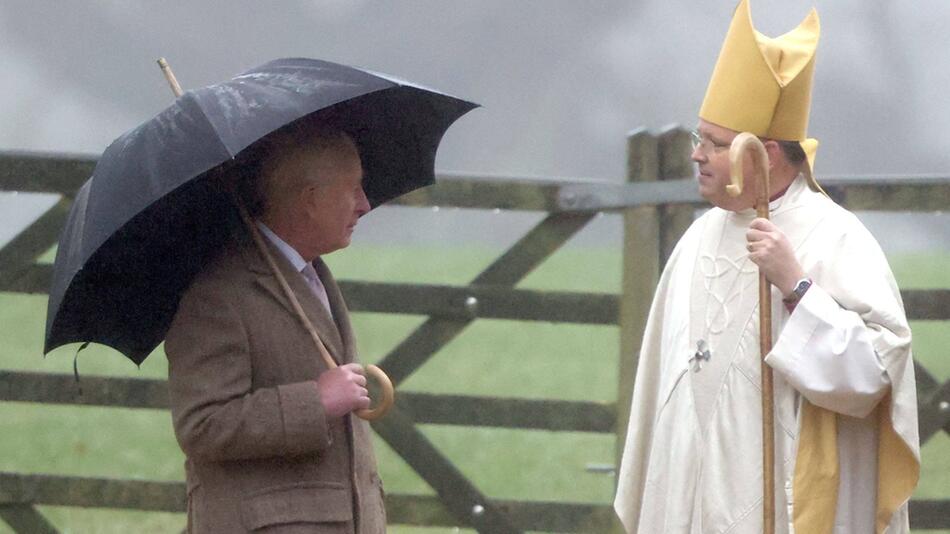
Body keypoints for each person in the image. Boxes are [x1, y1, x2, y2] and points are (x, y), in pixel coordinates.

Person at [613, 1, 919, 532]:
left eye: (715, 143)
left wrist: (797, 287)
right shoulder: (697, 238)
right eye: (697, 137)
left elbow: (877, 374)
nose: (697, 155)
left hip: (781, 499)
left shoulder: (836, 236)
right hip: (689, 494)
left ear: (766, 154)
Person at [164, 121, 385, 533]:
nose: (365, 204)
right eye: (352, 189)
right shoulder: (218, 293)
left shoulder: (311, 273)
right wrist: (316, 402)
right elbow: (203, 425)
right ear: (310, 200)